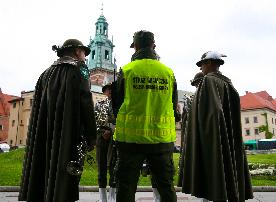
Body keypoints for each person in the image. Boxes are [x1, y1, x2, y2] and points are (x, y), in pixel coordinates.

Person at [18, 39, 97, 202]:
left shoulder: (45, 73)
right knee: (66, 174)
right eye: (83, 53)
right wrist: (91, 135)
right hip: (68, 133)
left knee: (44, 172)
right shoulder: (80, 69)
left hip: (44, 133)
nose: (84, 57)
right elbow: (86, 101)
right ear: (77, 51)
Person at [112, 30, 180, 202]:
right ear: (153, 46)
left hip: (130, 142)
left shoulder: (127, 71)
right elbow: (175, 108)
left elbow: (116, 107)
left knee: (126, 187)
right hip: (161, 140)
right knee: (166, 187)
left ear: (134, 47)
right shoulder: (168, 73)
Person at [182, 51, 253, 202]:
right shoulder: (228, 83)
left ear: (209, 63)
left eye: (202, 65)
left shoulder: (209, 80)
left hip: (212, 137)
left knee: (213, 171)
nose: (201, 69)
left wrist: (206, 134)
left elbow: (212, 112)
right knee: (226, 170)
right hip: (226, 136)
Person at [177, 72, 203, 187]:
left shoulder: (205, 94)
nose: (197, 86)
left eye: (198, 83)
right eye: (196, 84)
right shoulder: (194, 96)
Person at [94, 84, 116, 202]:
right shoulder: (99, 105)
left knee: (114, 169)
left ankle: (112, 196)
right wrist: (103, 132)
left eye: (112, 90)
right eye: (108, 90)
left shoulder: (120, 106)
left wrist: (113, 131)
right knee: (101, 169)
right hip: (102, 140)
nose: (110, 92)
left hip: (115, 140)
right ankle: (103, 198)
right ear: (105, 92)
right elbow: (94, 122)